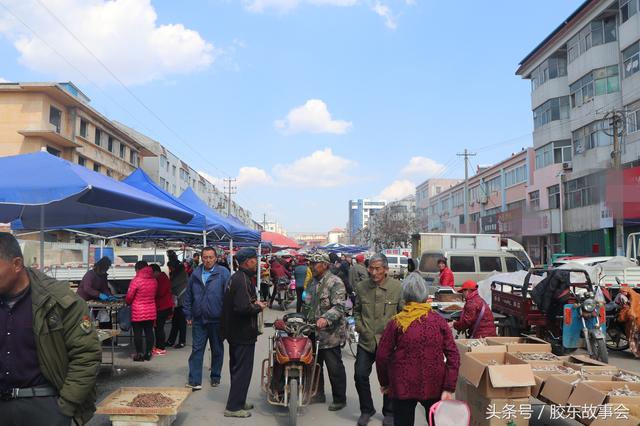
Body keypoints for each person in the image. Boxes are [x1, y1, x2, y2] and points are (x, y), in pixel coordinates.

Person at [0, 233, 102, 426]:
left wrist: (65, 407)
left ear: (17, 264)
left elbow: (86, 356)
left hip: (44, 405)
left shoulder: (59, 301)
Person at [376, 272, 460, 426]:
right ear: (425, 295)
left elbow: (382, 355)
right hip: (434, 384)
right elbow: (453, 356)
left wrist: (386, 383)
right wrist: (449, 387)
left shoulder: (396, 322)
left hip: (402, 385)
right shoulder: (439, 321)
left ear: (405, 295)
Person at [354, 253, 403, 426]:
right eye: (371, 268)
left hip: (389, 343)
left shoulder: (397, 287)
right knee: (360, 375)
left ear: (386, 270)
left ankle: (389, 412)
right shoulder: (361, 287)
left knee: (390, 378)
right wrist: (360, 328)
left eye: (377, 269)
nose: (373, 272)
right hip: (366, 341)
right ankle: (366, 410)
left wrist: (397, 335)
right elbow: (357, 311)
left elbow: (403, 314)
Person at [221, 248, 268, 418]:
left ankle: (239, 400)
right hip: (241, 332)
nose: (256, 262)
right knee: (242, 369)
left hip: (237, 332)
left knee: (238, 368)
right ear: (247, 261)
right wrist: (258, 306)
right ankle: (233, 407)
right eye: (254, 259)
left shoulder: (240, 277)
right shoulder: (241, 279)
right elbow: (242, 308)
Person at [304, 251, 348, 411]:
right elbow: (307, 304)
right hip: (312, 332)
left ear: (325, 265)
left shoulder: (335, 282)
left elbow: (339, 306)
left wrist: (326, 318)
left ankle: (339, 399)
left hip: (330, 333)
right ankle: (318, 393)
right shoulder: (311, 283)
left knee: (334, 367)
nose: (312, 267)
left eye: (315, 264)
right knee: (314, 365)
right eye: (311, 264)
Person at [183, 246, 231, 390]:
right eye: (205, 257)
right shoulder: (195, 274)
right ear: (201, 258)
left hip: (217, 320)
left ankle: (215, 376)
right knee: (197, 350)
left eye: (211, 257)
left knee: (217, 350)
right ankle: (194, 380)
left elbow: (229, 297)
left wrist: (228, 317)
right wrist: (188, 314)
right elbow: (188, 296)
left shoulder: (223, 273)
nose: (208, 260)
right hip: (199, 319)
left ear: (216, 258)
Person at [126, 261, 158, 362]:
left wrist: (128, 302)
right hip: (151, 309)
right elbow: (154, 294)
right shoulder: (154, 280)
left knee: (138, 333)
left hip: (137, 310)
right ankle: (148, 353)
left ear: (138, 269)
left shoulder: (136, 280)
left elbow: (129, 297)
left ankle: (139, 354)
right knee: (149, 331)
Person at [150, 264, 174, 356]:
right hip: (164, 306)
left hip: (163, 307)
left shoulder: (161, 279)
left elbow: (160, 292)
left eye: (152, 273)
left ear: (156, 272)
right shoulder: (162, 277)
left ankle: (160, 347)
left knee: (159, 328)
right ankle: (159, 346)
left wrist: (152, 292)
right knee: (159, 328)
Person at [167, 260, 188, 349]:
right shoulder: (180, 274)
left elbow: (172, 285)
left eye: (170, 267)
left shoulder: (180, 275)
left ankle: (181, 341)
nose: (169, 269)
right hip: (179, 301)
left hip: (182, 302)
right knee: (176, 322)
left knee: (181, 323)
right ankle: (171, 340)